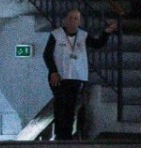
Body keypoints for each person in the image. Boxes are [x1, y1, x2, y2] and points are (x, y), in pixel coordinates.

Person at [43, 9, 115, 140]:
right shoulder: (56, 34)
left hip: (75, 76)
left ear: (79, 21)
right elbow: (47, 54)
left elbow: (97, 44)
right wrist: (53, 71)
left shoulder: (83, 35)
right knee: (60, 103)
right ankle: (60, 134)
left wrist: (106, 33)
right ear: (65, 19)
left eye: (76, 18)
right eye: (70, 18)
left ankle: (67, 135)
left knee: (71, 106)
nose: (72, 21)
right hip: (59, 76)